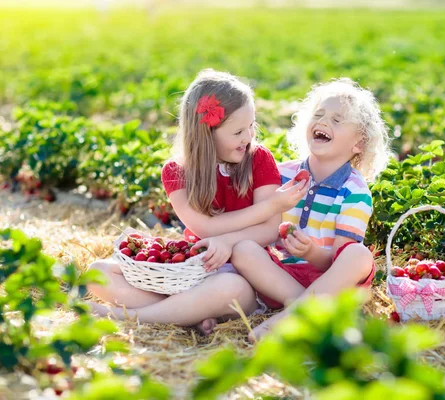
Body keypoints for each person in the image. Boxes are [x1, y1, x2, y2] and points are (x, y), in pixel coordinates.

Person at [87, 69, 308, 334]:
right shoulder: (176, 172)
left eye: (251, 126)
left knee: (228, 287)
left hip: (244, 276)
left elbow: (270, 229)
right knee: (98, 271)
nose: (248, 137)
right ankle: (191, 312)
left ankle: (132, 316)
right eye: (238, 131)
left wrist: (230, 241)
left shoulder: (259, 159)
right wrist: (269, 206)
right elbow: (205, 229)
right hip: (194, 270)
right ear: (206, 133)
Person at [230, 78, 392, 341]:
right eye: (318, 115)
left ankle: (285, 321)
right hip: (280, 279)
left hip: (329, 280)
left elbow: (338, 259)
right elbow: (262, 228)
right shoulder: (281, 174)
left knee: (358, 256)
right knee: (243, 249)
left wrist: (312, 252)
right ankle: (302, 309)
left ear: (359, 144)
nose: (324, 122)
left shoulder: (355, 192)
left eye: (337, 120)